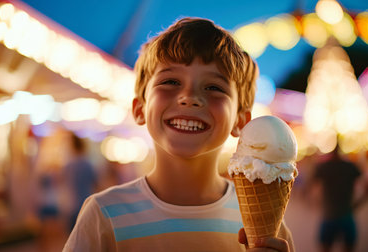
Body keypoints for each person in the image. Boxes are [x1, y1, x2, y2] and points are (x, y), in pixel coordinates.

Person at [63, 17, 294, 251]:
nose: (190, 97)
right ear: (140, 109)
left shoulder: (270, 231)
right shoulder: (103, 215)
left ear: (240, 121)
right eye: (171, 81)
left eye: (214, 87)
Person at [306, 145, 368, 252]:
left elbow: (309, 186)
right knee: (348, 247)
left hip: (328, 215)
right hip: (347, 214)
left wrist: (316, 202)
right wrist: (357, 204)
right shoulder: (350, 167)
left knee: (325, 247)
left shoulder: (324, 167)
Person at [63, 133, 98, 232]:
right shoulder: (88, 164)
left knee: (71, 237)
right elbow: (96, 184)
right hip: (86, 204)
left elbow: (63, 184)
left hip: (71, 205)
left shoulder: (68, 165)